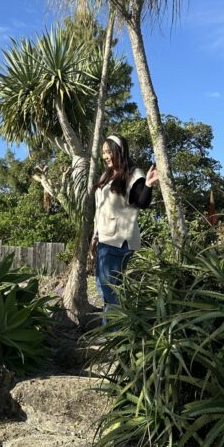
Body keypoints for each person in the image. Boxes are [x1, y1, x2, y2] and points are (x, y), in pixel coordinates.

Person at [91, 134, 158, 316]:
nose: (105, 156)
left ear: (119, 151)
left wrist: (149, 185)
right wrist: (95, 237)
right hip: (105, 238)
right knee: (104, 287)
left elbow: (141, 202)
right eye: (103, 152)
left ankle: (114, 335)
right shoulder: (108, 174)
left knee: (111, 292)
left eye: (108, 151)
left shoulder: (133, 174)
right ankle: (117, 331)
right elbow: (101, 210)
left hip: (119, 239)